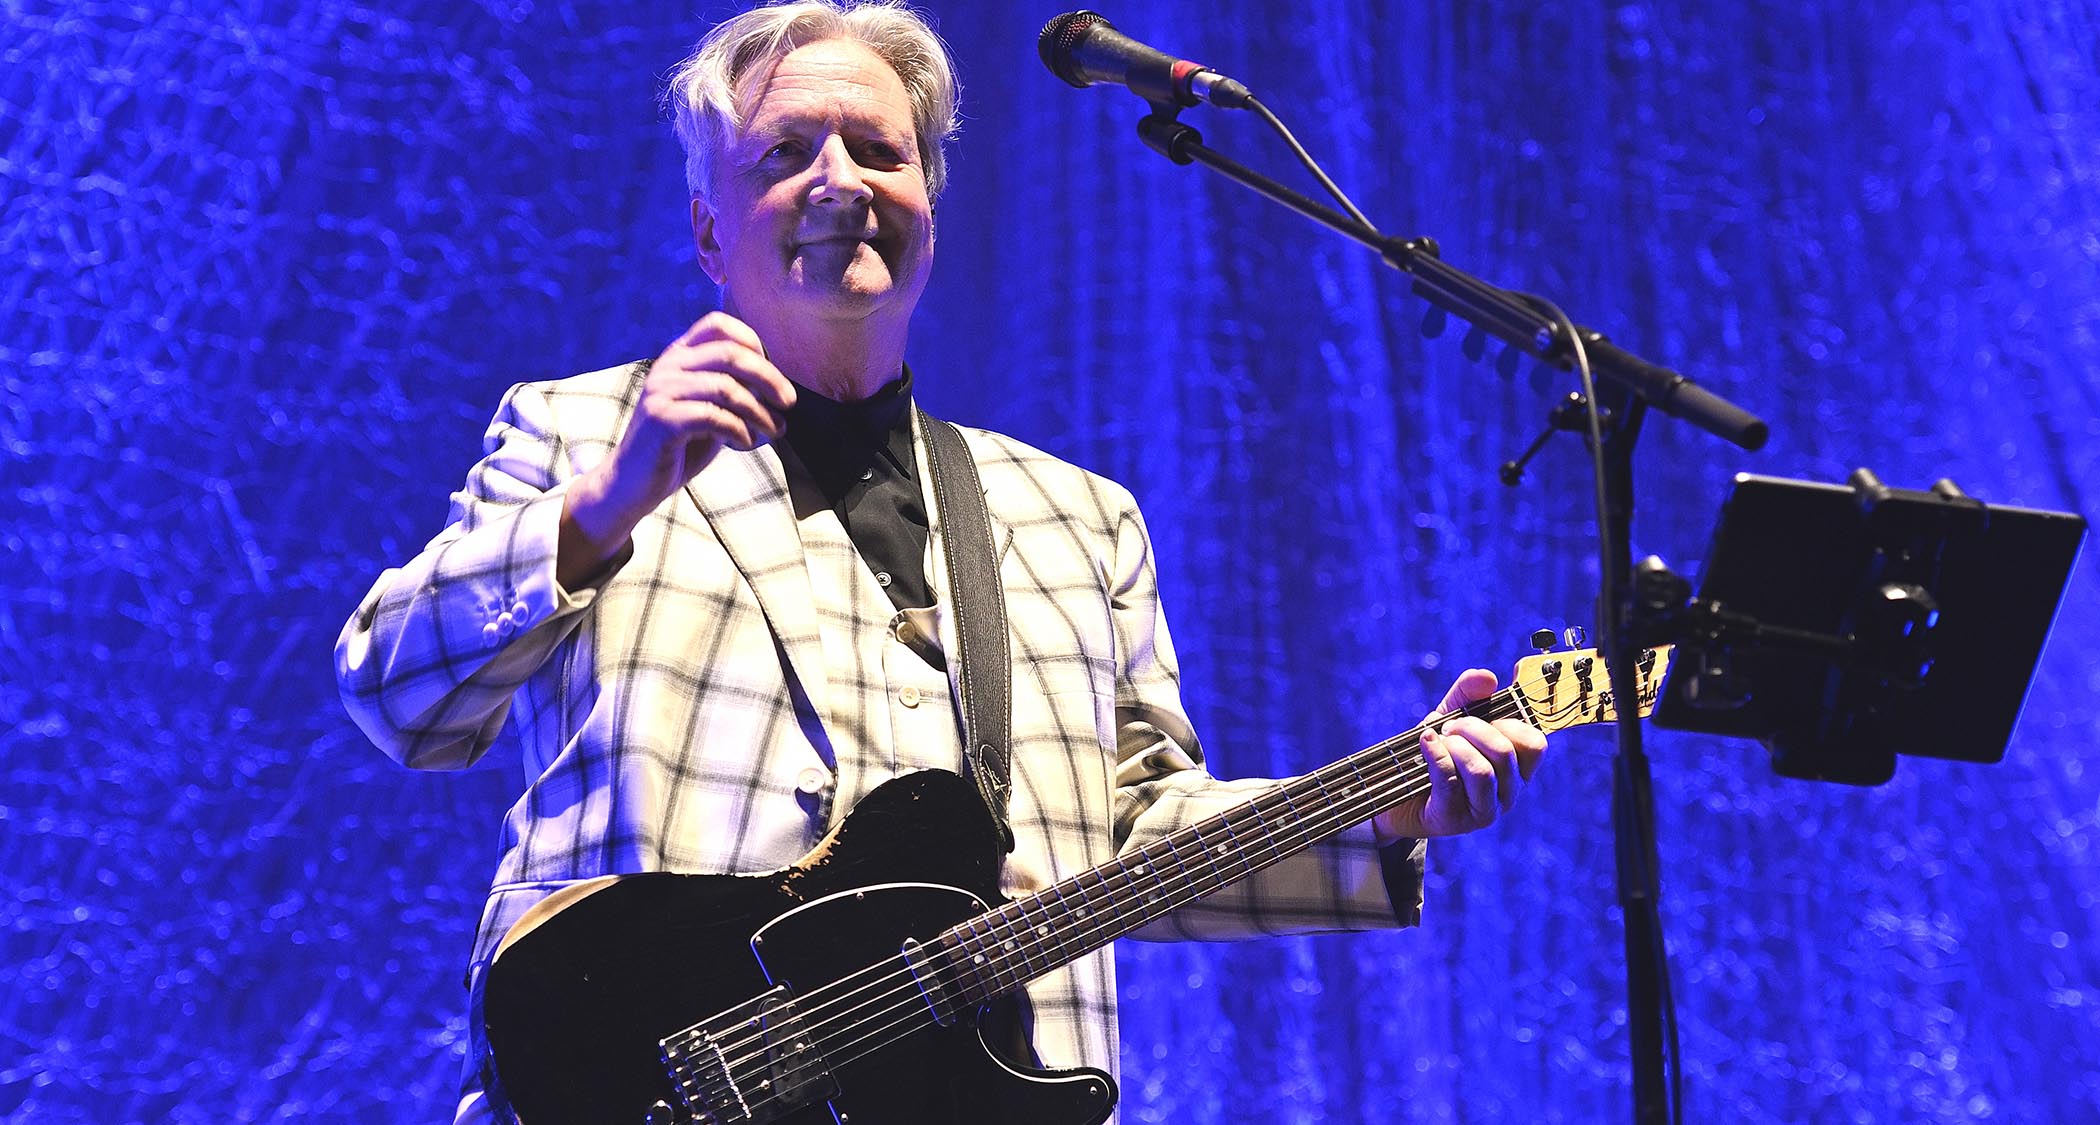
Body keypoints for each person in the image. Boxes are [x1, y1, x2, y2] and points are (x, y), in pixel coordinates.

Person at [333, 2, 1546, 1121]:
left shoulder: (1078, 516)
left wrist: (1381, 815)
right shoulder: (582, 434)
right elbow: (398, 697)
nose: (837, 181)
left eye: (878, 149)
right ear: (709, 232)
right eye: (784, 153)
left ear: (929, 201)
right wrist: (602, 507)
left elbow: (1128, 834)